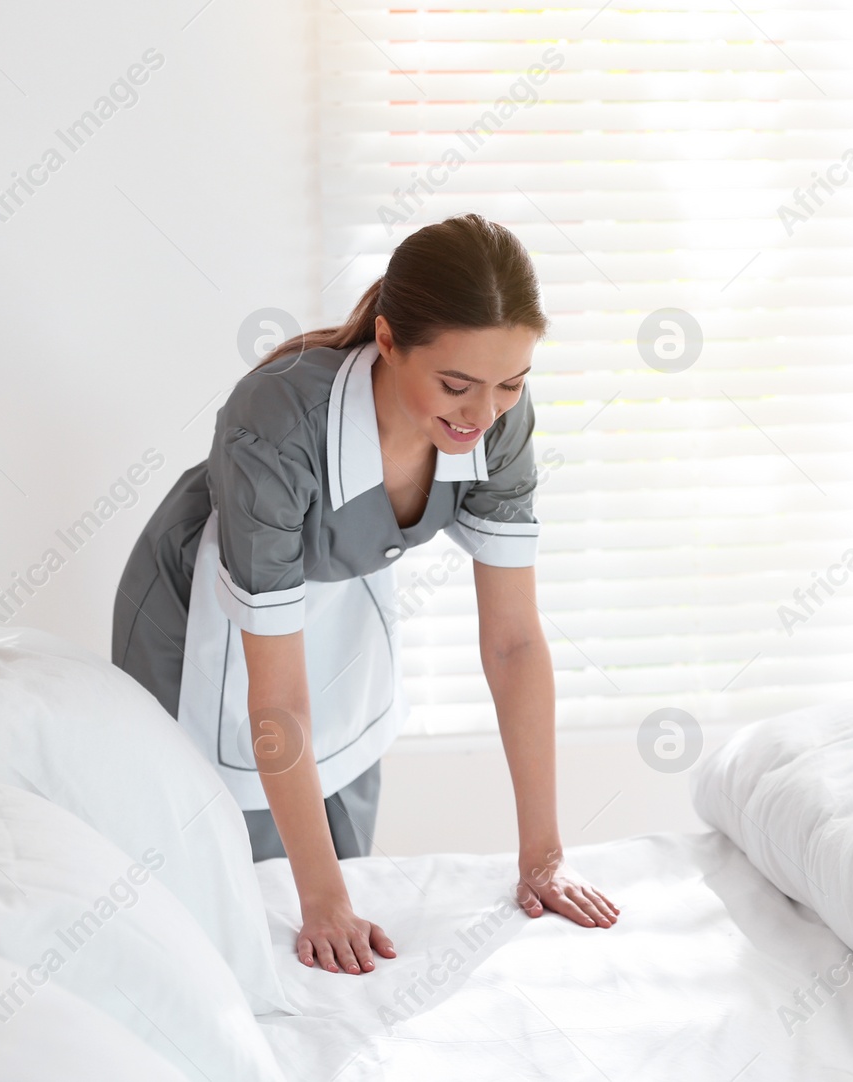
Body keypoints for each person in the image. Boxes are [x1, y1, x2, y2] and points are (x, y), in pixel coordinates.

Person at [112, 213, 619, 978]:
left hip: (344, 588)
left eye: (511, 383)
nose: (483, 415)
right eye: (457, 385)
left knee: (343, 801)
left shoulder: (495, 423)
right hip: (203, 617)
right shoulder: (276, 424)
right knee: (232, 878)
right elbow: (274, 699)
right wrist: (321, 902)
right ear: (386, 341)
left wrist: (544, 858)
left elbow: (514, 642)